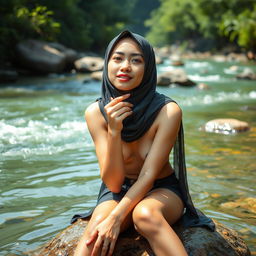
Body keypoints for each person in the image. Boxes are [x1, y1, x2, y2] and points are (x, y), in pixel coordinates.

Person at [72, 30, 214, 256]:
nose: (125, 66)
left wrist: (117, 218)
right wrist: (114, 131)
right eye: (117, 58)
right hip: (117, 191)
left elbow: (148, 176)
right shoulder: (95, 113)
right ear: (107, 63)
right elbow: (114, 184)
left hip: (162, 189)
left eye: (136, 60)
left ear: (148, 69)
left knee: (144, 215)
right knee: (95, 232)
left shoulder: (167, 111)